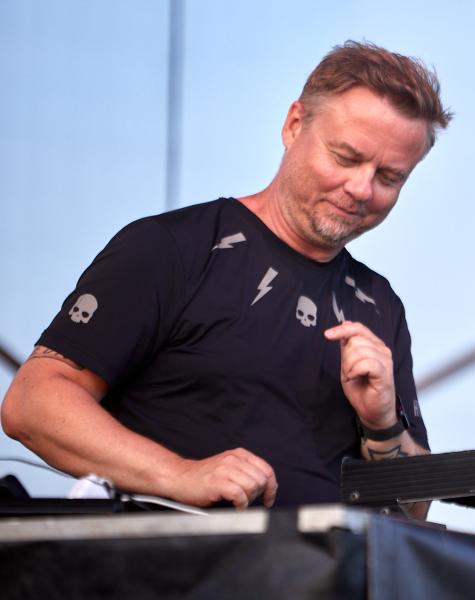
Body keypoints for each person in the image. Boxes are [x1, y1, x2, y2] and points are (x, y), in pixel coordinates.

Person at [0, 41, 452, 515]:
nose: (361, 188)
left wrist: (382, 424)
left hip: (330, 564)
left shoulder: (380, 304)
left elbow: (415, 513)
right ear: (294, 124)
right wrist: (181, 475)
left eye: (389, 177)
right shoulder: (172, 247)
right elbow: (32, 403)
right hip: (171, 558)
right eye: (345, 157)